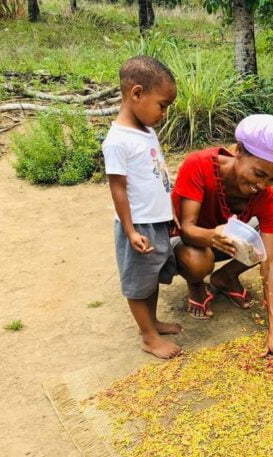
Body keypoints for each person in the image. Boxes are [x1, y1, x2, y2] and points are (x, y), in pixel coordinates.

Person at [172, 114, 273, 368]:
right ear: (239, 151)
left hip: (229, 239)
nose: (262, 185)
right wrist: (212, 236)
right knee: (199, 259)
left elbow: (270, 264)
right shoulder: (198, 165)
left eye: (271, 180)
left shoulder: (265, 196)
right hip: (192, 241)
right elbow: (187, 229)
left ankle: (226, 277)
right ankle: (197, 283)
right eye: (259, 174)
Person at [102, 56, 181, 359]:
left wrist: (168, 213)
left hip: (157, 221)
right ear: (136, 93)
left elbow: (157, 176)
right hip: (139, 225)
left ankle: (153, 322)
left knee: (151, 276)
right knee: (137, 283)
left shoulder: (146, 131)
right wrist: (130, 230)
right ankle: (147, 336)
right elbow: (118, 188)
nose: (164, 112)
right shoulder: (117, 141)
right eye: (162, 105)